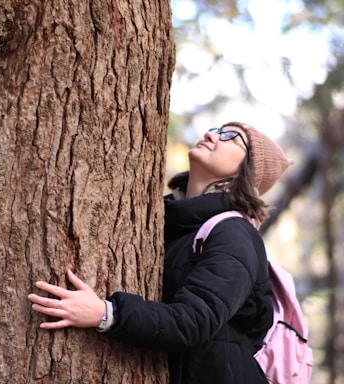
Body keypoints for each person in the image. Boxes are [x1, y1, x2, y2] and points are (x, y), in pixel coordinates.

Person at [27, 122, 293, 384]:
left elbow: (194, 321)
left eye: (231, 138)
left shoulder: (235, 233)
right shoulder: (169, 222)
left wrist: (106, 313)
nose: (211, 135)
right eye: (217, 129)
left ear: (247, 172)